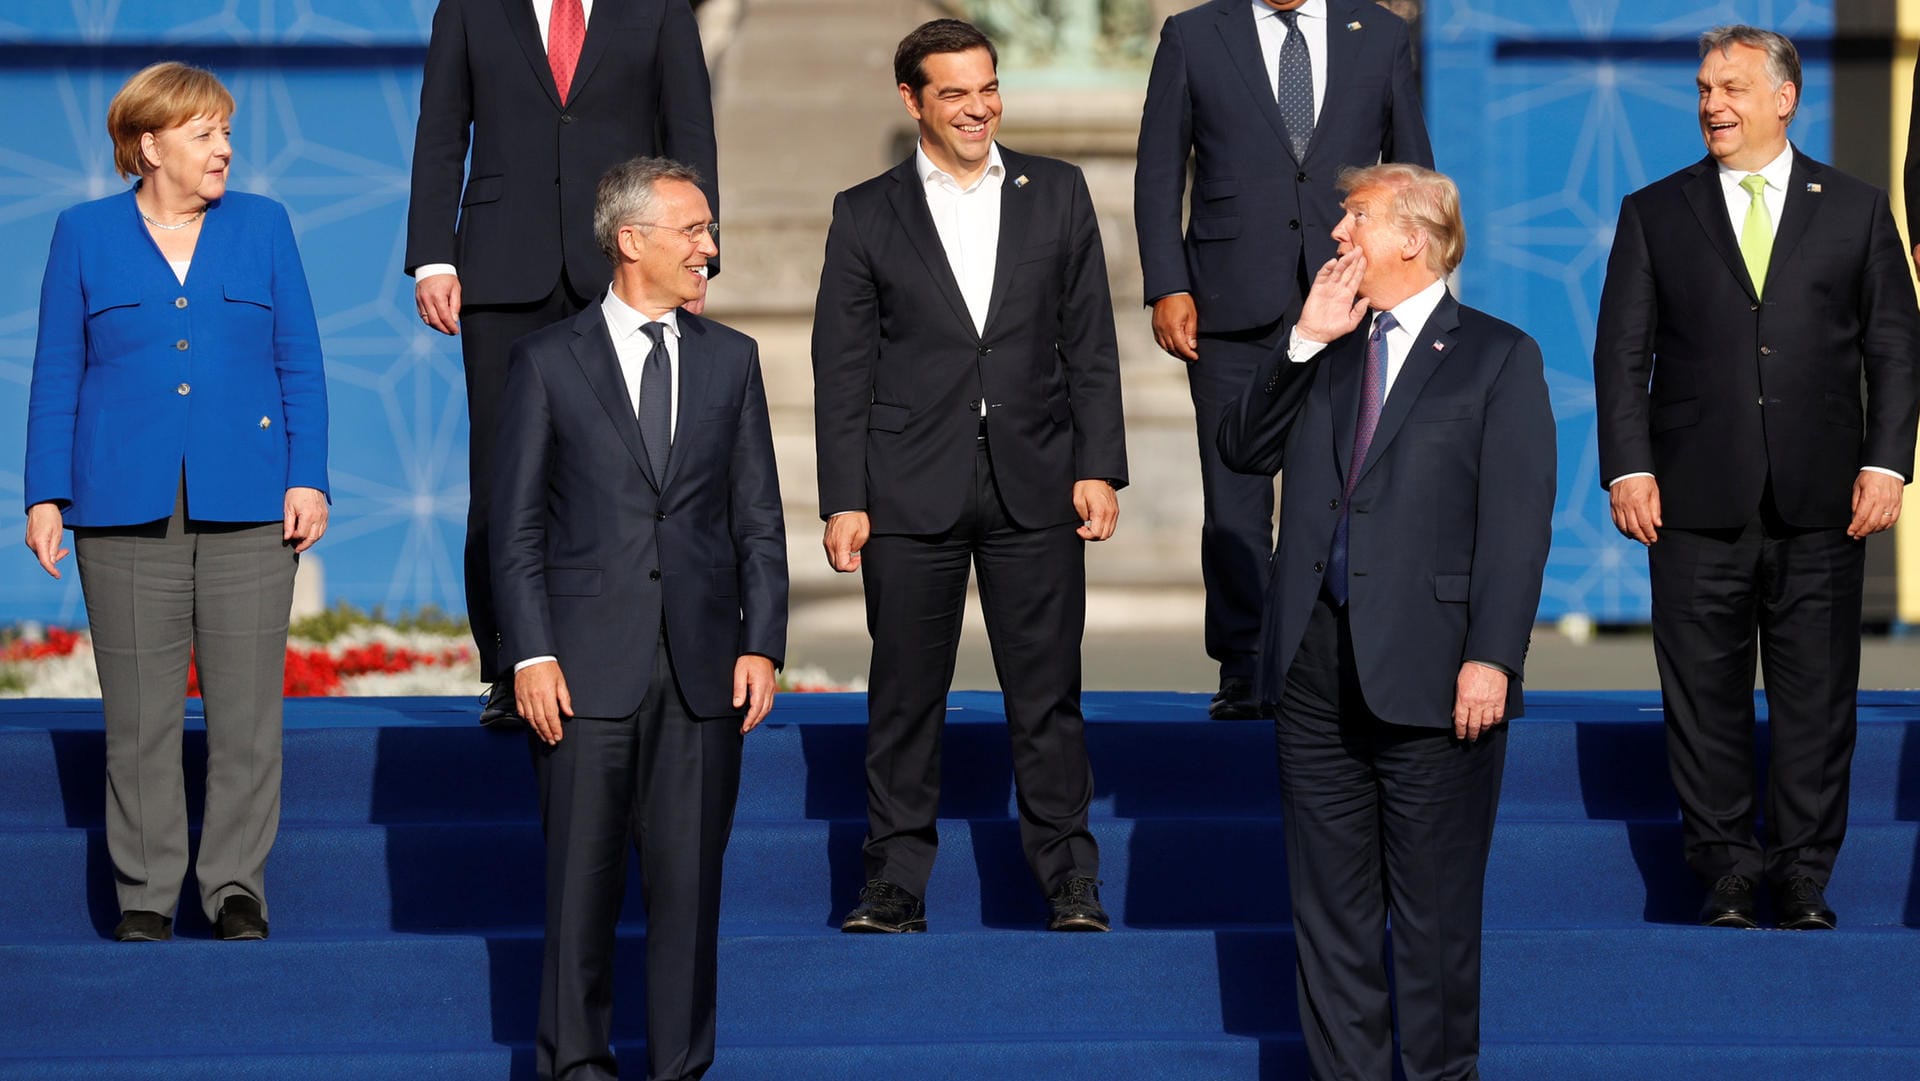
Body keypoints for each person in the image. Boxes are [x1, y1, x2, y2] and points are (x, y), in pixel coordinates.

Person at [1219, 163, 1554, 1080]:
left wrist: (1492, 657)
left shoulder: (1497, 354)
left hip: (1438, 672)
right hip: (1313, 670)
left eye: (1354, 220)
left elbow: (1517, 528)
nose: (1337, 237)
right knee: (1328, 917)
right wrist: (1297, 341)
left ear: (1413, 236)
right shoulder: (1323, 346)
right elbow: (1241, 451)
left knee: (1436, 915)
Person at [1594, 25, 1919, 931]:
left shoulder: (1854, 209)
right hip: (1694, 498)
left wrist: (1888, 459)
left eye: (1732, 87)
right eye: (1704, 88)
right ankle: (1727, 869)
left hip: (1826, 502)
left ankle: (1804, 874)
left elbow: (1895, 348)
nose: (1712, 104)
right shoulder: (1654, 211)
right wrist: (1628, 466)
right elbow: (1621, 357)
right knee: (1703, 696)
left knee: (1817, 697)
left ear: (1785, 98)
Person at [812, 19, 1129, 935]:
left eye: (987, 87)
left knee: (1047, 695)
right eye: (954, 92)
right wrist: (844, 497)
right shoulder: (864, 211)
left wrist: (1098, 466)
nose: (977, 107)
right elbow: (844, 366)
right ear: (911, 100)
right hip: (909, 487)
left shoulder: (1056, 192)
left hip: (1037, 480)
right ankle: (894, 883)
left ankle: (1069, 879)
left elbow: (1092, 344)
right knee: (905, 696)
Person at [490, 156, 785, 1081]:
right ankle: (576, 1065)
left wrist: (762, 641)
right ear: (632, 241)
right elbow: (515, 524)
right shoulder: (545, 359)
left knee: (689, 894)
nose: (710, 247)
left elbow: (759, 519)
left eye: (709, 230)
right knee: (580, 890)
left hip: (702, 672)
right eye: (693, 230)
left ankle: (678, 1069)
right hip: (579, 670)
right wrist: (529, 652)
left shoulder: (731, 359)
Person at [22, 61, 331, 943]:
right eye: (205, 134)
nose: (225, 149)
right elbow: (57, 372)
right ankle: (145, 893)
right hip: (119, 505)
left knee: (245, 715)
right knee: (139, 718)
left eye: (227, 133)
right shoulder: (81, 234)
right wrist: (47, 492)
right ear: (148, 145)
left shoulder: (265, 226)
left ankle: (235, 886)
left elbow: (300, 362)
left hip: (250, 505)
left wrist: (307, 474)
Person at [406, 0, 719, 720]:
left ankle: (634, 659)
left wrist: (697, 255)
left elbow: (689, 131)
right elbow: (441, 130)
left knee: (634, 469)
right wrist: (431, 255)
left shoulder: (660, 7)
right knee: (505, 473)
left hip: (628, 264)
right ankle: (512, 662)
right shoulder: (468, 8)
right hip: (500, 271)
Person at [1135, 0, 1432, 719]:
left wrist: (1414, 291)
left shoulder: (1382, 34)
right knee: (1234, 491)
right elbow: (1158, 169)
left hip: (1350, 301)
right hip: (1228, 307)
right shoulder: (1195, 34)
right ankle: (1243, 661)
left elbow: (1413, 174)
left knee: (1341, 485)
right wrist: (1168, 284)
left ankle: (1334, 656)